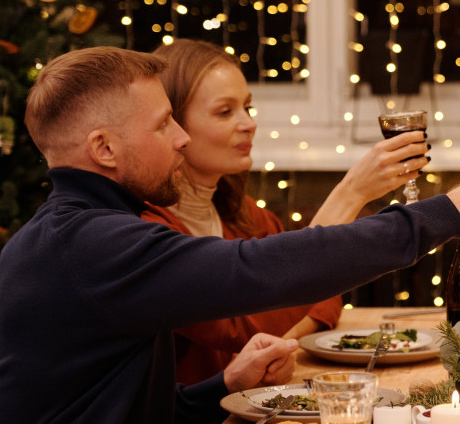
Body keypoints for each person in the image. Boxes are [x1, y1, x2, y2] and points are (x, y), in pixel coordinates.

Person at [0, 46, 460, 423]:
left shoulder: (83, 233)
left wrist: (219, 387)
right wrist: (451, 213)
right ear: (104, 149)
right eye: (163, 125)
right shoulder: (88, 244)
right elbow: (258, 270)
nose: (182, 140)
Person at [142, 39, 429, 385]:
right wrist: (352, 192)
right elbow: (242, 324)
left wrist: (277, 340)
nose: (249, 123)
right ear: (172, 125)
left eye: (248, 107)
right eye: (225, 111)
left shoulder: (245, 216)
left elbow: (323, 291)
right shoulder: (149, 233)